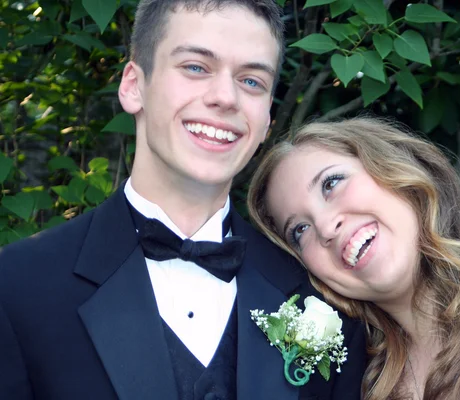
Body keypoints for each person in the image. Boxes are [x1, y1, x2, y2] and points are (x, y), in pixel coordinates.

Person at [0, 2, 367, 399]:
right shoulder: (17, 286)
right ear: (133, 86)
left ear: (266, 122)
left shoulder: (316, 293)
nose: (226, 97)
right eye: (196, 67)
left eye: (251, 82)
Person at [247, 116, 460, 400]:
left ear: (399, 169)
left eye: (331, 183)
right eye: (299, 230)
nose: (325, 226)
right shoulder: (354, 383)